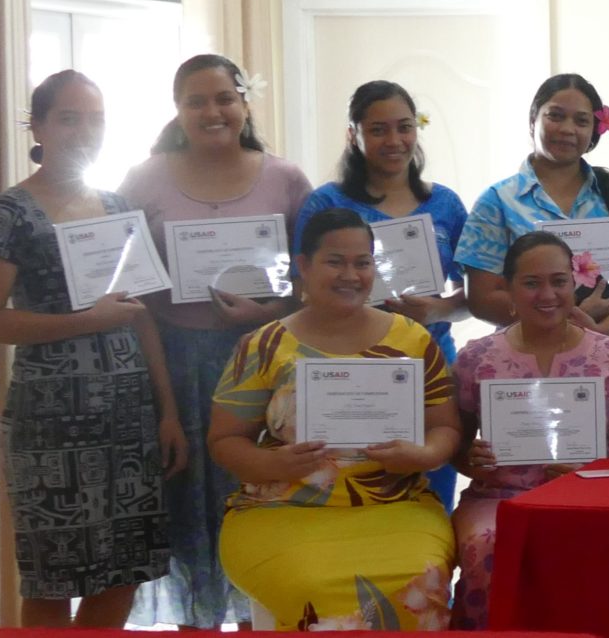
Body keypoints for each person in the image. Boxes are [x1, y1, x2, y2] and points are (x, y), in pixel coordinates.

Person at [0, 72, 183, 627]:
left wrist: (169, 411)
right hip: (49, 423)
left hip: (129, 417)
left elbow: (142, 316)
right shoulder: (8, 214)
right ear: (36, 125)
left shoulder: (115, 206)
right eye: (68, 117)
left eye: (96, 118)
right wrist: (84, 321)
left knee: (126, 569)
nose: (85, 130)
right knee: (51, 576)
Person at [120, 53, 310, 629]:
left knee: (259, 497)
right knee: (187, 511)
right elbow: (127, 287)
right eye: (195, 101)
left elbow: (312, 282)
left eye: (224, 98)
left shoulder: (286, 178)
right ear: (178, 111)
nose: (212, 111)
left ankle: (259, 621)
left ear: (244, 103)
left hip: (264, 362)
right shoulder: (143, 179)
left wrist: (268, 311)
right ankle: (193, 625)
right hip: (173, 362)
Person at [210, 209, 461, 631]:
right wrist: (277, 464)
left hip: (397, 505)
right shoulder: (265, 343)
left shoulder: (412, 338)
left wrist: (423, 455)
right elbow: (224, 441)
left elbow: (446, 428)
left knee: (421, 577)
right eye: (335, 261)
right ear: (303, 266)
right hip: (281, 506)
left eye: (362, 262)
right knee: (308, 585)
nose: (351, 274)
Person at [448, 232, 609, 628]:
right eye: (531, 282)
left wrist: (591, 473)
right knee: (486, 545)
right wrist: (468, 458)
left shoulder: (608, 353)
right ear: (507, 289)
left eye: (559, 281)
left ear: (573, 284)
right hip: (500, 497)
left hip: (589, 495)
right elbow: (455, 443)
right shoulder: (477, 357)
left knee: (600, 550)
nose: (548, 294)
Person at [292, 80, 469, 506]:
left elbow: (476, 295)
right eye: (378, 129)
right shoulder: (325, 204)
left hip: (430, 367)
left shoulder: (445, 204)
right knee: (349, 495)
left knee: (428, 500)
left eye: (404, 127)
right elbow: (302, 289)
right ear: (353, 134)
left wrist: (439, 309)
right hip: (343, 368)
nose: (394, 141)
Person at [459, 74, 609, 368]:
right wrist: (568, 317)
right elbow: (482, 298)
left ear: (594, 130)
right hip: (526, 364)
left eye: (581, 121)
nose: (567, 129)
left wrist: (599, 335)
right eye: (555, 116)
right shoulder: (497, 201)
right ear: (533, 120)